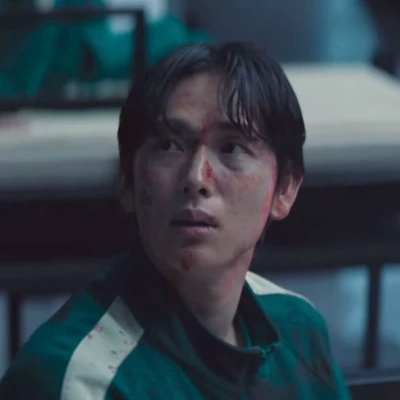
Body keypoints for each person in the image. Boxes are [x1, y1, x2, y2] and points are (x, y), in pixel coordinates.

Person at [0, 42, 351, 399]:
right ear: (127, 181)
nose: (197, 177)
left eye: (232, 148)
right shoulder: (77, 381)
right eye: (168, 145)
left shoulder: (297, 325)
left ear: (285, 189)